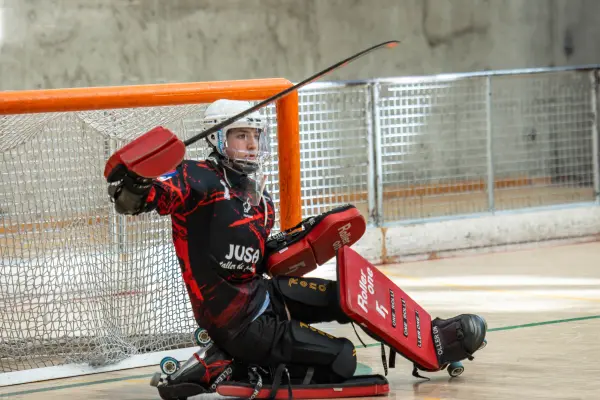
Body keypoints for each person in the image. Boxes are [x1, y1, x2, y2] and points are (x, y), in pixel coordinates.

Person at [106, 99, 487, 398]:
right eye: (241, 135)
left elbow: (263, 257)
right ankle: (225, 364)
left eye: (256, 135)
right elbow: (143, 199)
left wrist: (303, 243)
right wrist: (132, 185)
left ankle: (431, 337)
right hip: (239, 325)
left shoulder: (261, 198)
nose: (252, 144)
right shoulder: (196, 179)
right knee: (343, 358)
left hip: (263, 296)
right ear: (216, 139)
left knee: (346, 294)